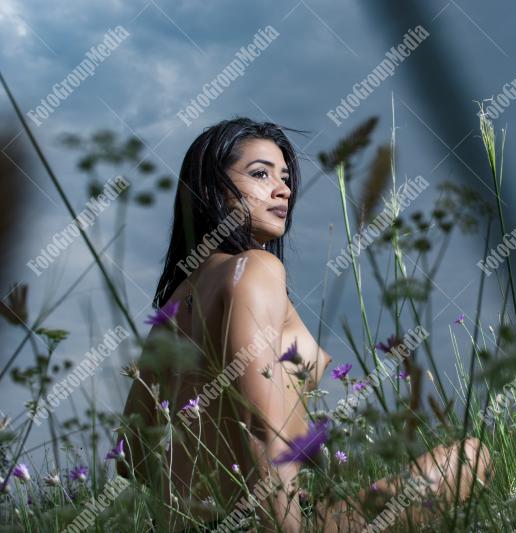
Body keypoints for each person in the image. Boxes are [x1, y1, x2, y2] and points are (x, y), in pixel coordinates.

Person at [116, 118, 491, 532]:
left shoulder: (169, 312)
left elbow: (128, 455)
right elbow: (260, 421)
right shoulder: (256, 268)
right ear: (212, 189)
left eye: (286, 177)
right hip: (265, 521)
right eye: (260, 174)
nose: (283, 189)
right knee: (469, 457)